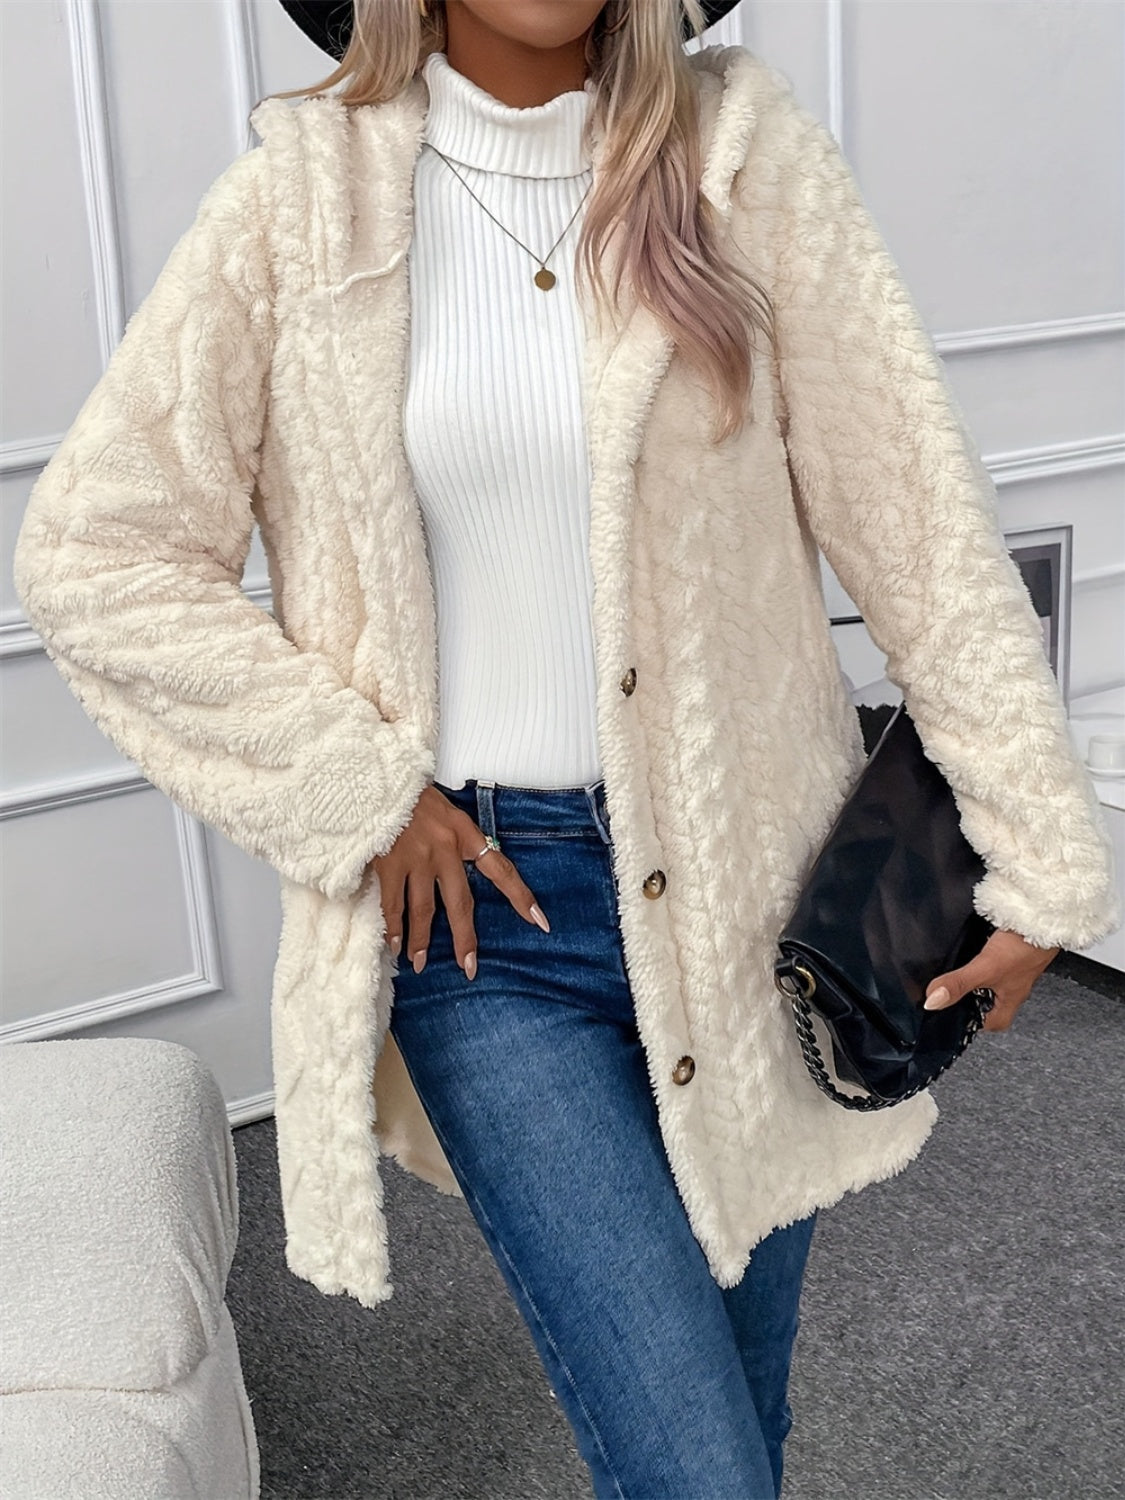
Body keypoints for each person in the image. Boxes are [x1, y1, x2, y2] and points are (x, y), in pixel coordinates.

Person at [13, 1, 1119, 1497]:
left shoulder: (742, 162)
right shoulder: (301, 200)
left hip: (754, 899)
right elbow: (99, 552)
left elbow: (921, 534)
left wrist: (1039, 855)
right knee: (692, 1467)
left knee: (734, 1430)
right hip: (488, 928)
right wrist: (359, 792)